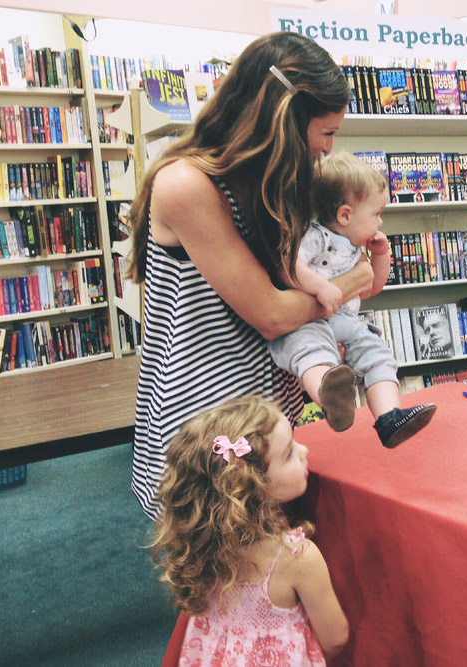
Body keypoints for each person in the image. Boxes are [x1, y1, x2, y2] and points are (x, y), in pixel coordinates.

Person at [126, 32, 375, 519]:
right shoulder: (186, 185)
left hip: (265, 412)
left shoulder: (272, 184)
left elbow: (293, 284)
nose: (327, 150)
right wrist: (346, 286)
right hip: (207, 419)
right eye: (325, 132)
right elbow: (270, 314)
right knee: (220, 573)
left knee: (273, 570)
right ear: (282, 120)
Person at [151, 395, 349, 665]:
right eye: (289, 452)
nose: (304, 451)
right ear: (252, 487)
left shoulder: (197, 548)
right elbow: (335, 638)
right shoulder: (297, 557)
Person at [267, 152, 436, 448]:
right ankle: (330, 396)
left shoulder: (354, 248)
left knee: (377, 353)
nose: (380, 221)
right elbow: (286, 263)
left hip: (346, 323)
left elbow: (372, 286)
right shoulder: (316, 237)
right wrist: (320, 286)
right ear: (345, 215)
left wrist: (381, 255)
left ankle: (388, 417)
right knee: (312, 352)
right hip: (307, 321)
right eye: (376, 214)